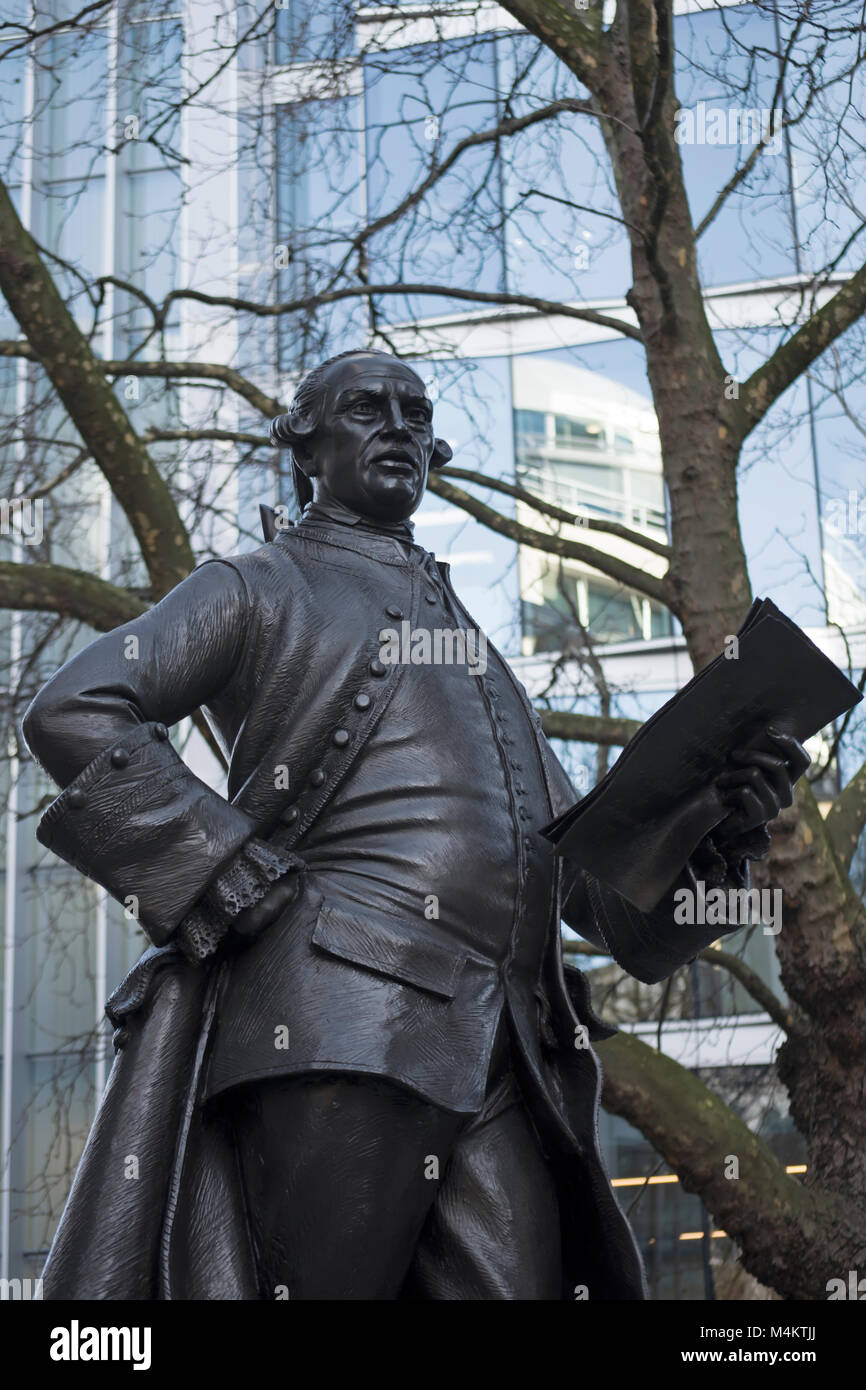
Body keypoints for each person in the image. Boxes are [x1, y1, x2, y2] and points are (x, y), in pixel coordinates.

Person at [22, 348, 808, 1300]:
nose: (400, 426)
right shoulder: (258, 583)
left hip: (503, 1047)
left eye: (416, 411)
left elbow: (607, 908)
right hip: (340, 1018)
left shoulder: (476, 655)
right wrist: (220, 867)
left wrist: (720, 835)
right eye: (366, 408)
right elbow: (71, 708)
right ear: (305, 444)